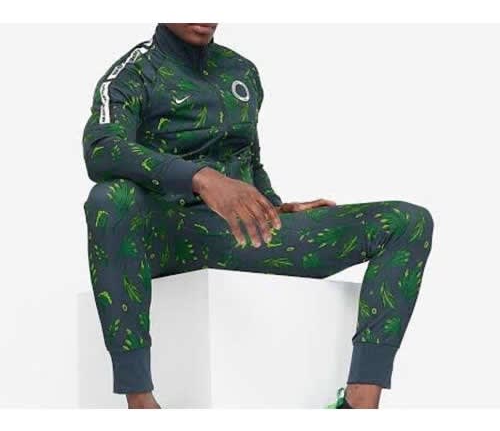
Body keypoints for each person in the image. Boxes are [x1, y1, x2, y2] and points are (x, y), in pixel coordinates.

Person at [82, 23, 434, 409]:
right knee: (109, 199)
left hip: (239, 236)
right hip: (168, 237)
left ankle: (359, 403)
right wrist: (201, 178)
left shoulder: (241, 71)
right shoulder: (133, 72)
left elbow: (248, 159)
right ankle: (140, 401)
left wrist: (272, 206)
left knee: (407, 222)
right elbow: (102, 148)